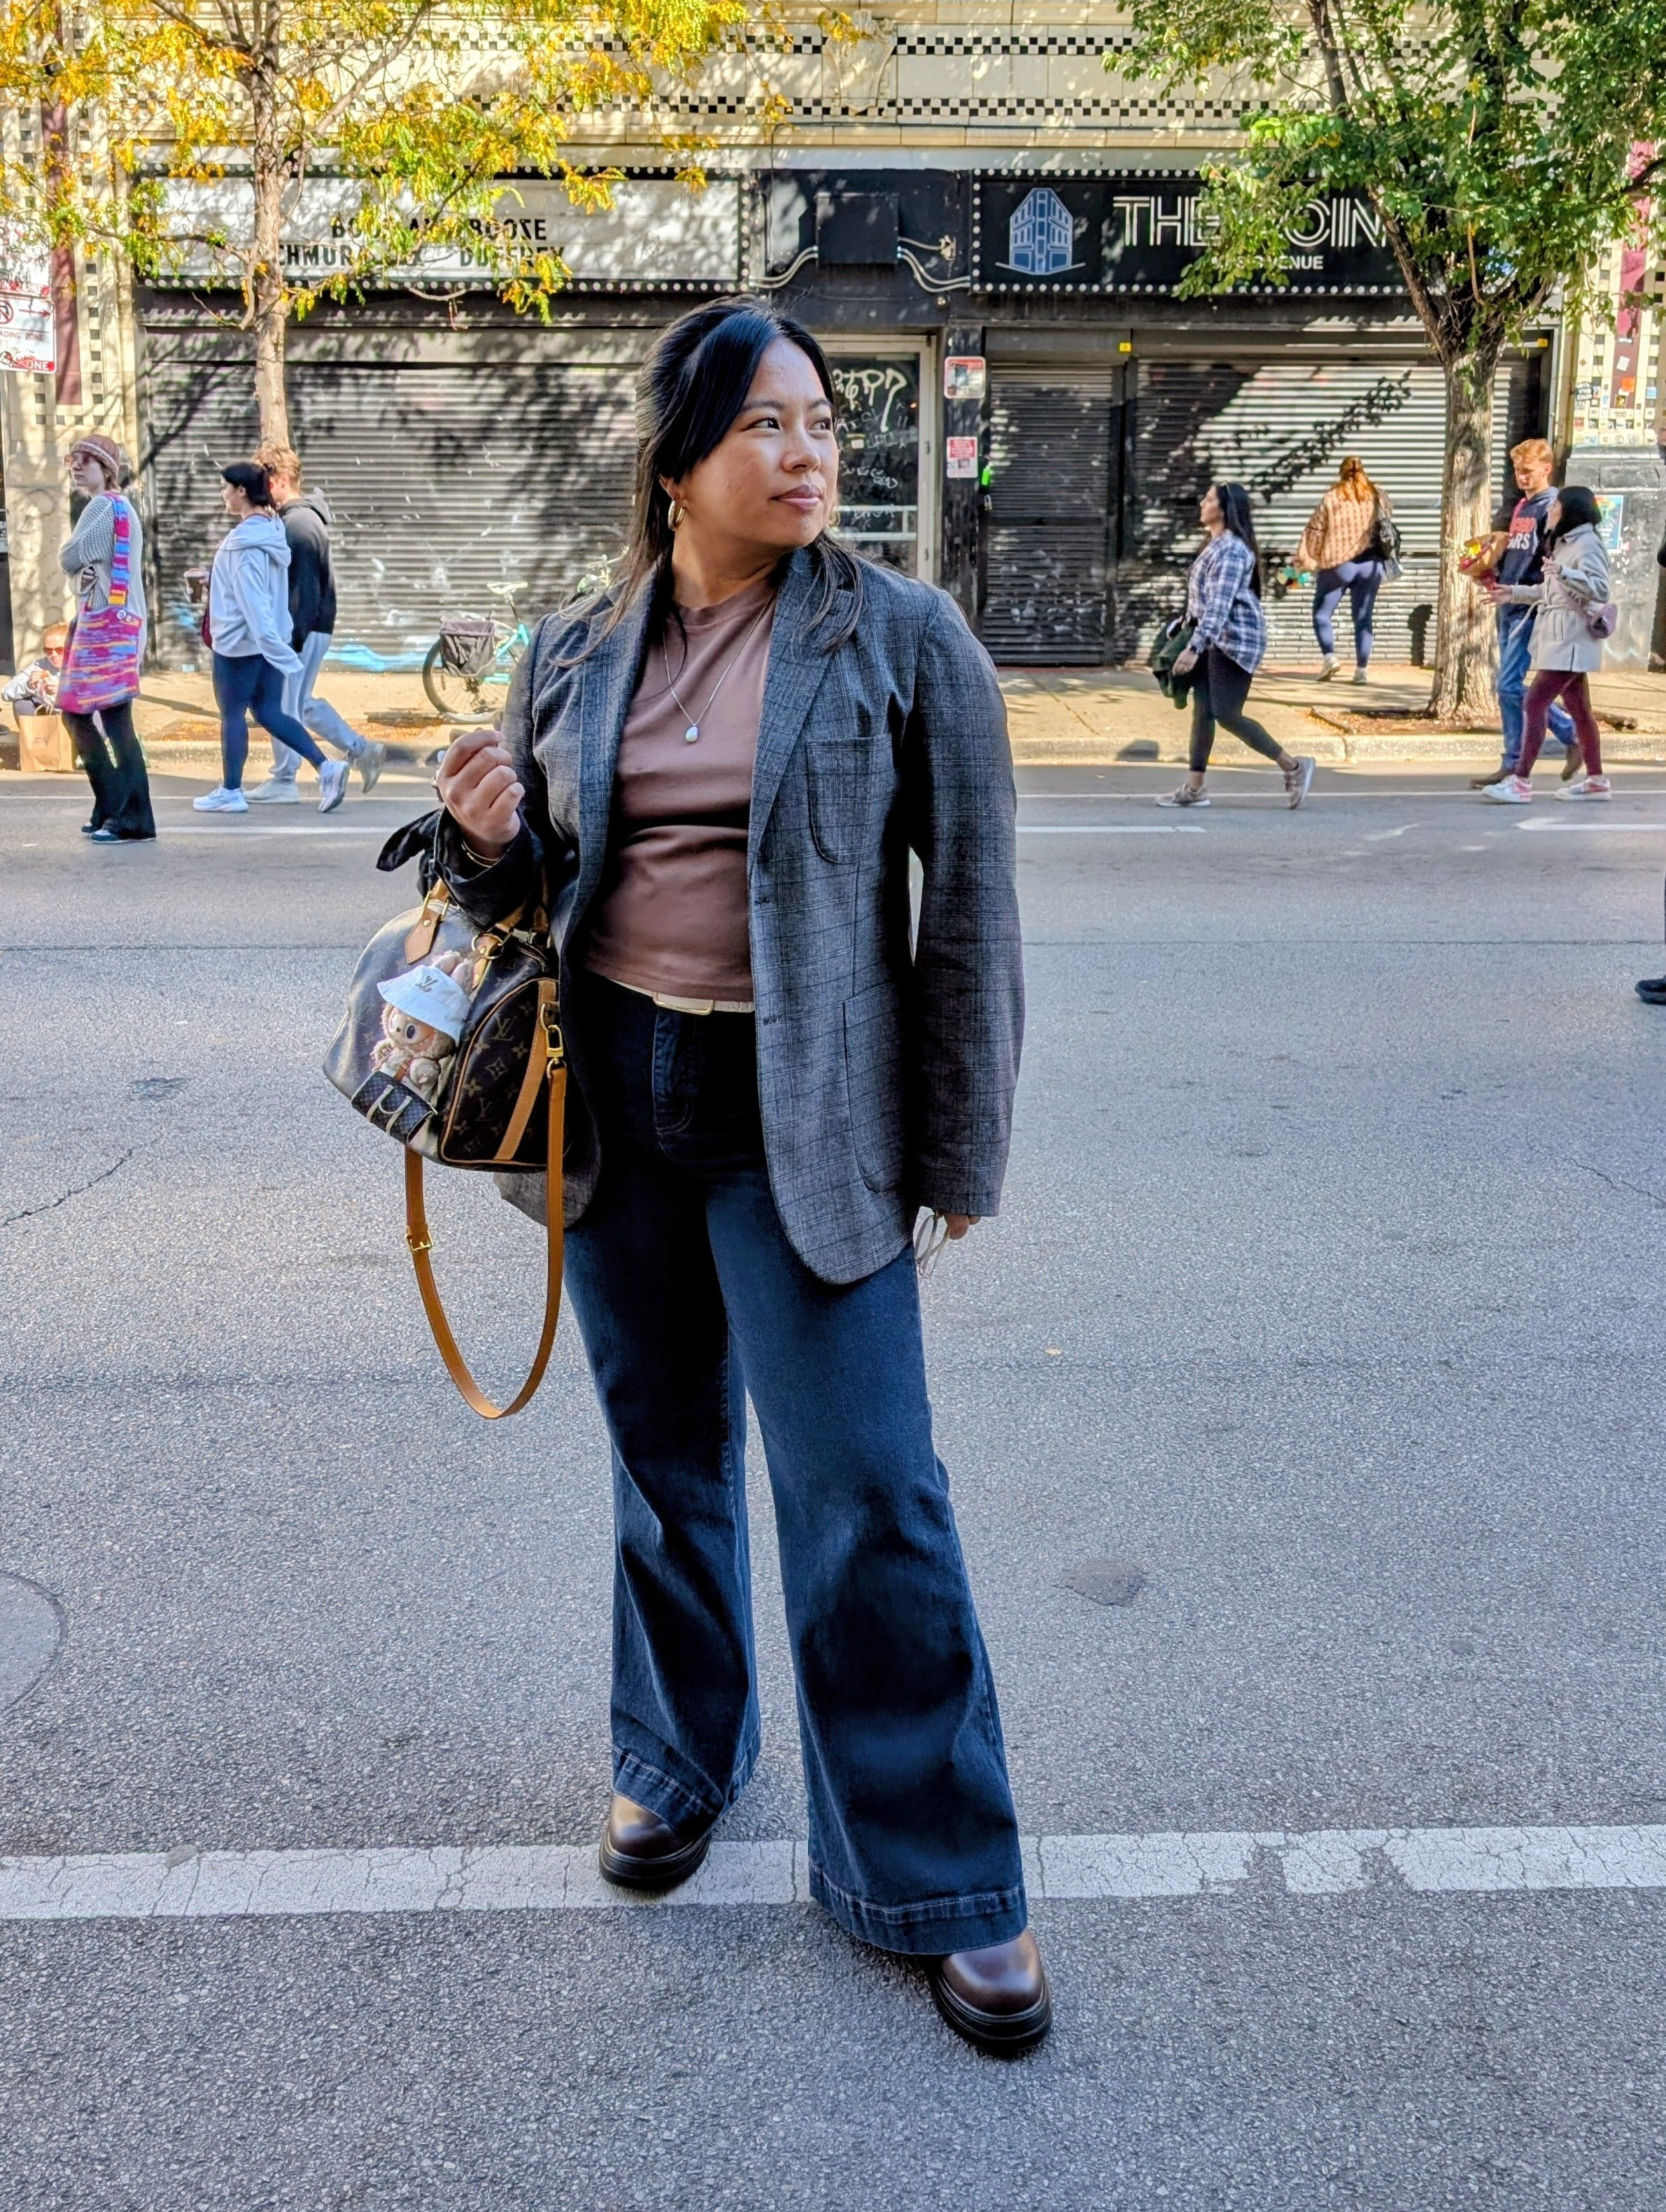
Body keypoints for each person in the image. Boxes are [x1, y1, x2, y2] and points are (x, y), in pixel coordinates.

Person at [433, 298, 1049, 2055]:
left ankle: (939, 1876)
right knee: (662, 1455)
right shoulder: (576, 645)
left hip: (808, 1113)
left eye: (822, 424)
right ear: (677, 459)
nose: (807, 454)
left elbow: (971, 913)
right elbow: (532, 900)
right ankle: (675, 1755)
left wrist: (959, 1147)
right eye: (767, 425)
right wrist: (489, 840)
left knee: (868, 1491)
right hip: (613, 1102)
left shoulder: (903, 637)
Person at [196, 461, 348, 816]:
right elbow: (259, 588)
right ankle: (327, 767)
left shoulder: (242, 544)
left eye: (226, 488)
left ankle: (231, 791)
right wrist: (217, 580)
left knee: (232, 715)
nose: (223, 495)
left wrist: (275, 646)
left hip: (240, 643)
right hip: (268, 639)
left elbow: (253, 600)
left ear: (242, 492)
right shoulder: (272, 530)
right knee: (268, 711)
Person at [244, 442, 385, 803]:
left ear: (282, 479)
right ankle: (361, 749)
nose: (258, 491)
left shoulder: (300, 524)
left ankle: (285, 779)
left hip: (303, 628)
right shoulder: (297, 520)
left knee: (282, 705)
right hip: (310, 627)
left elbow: (304, 590)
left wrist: (290, 640)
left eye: (263, 481)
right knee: (299, 702)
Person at [1160, 482, 1315, 809]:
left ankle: (1294, 767)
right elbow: (1204, 601)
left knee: (1226, 713)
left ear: (1224, 509)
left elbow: (1219, 606)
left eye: (1209, 499)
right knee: (1204, 711)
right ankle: (1194, 789)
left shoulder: (1231, 550)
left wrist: (1194, 648)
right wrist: (1184, 628)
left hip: (1234, 641)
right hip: (1214, 637)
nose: (1202, 503)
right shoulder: (1216, 545)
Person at [1480, 486, 1611, 804]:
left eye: (1556, 507)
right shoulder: (1565, 543)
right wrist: (1513, 593)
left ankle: (1521, 782)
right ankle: (1596, 781)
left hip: (1571, 639)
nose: (1550, 511)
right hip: (1561, 638)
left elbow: (1600, 589)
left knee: (1534, 702)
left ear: (1570, 511)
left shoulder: (1587, 544)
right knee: (1579, 710)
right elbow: (1549, 591)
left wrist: (1564, 572)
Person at [57, 433, 155, 842]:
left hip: (106, 629)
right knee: (90, 715)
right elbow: (88, 568)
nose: (77, 468)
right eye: (73, 461)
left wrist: (77, 570)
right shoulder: (120, 508)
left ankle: (132, 815)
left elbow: (69, 557)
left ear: (107, 469)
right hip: (117, 625)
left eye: (87, 461)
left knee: (99, 718)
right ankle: (112, 806)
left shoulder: (102, 507)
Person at [1469, 438, 1579, 790]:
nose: (1522, 476)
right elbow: (1518, 551)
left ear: (1547, 469)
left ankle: (1570, 732)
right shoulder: (1522, 506)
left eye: (1528, 470)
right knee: (1507, 688)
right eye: (1517, 470)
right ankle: (1513, 761)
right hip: (1508, 600)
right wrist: (1491, 567)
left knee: (1508, 684)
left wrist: (1529, 590)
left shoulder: (1552, 508)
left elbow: (1556, 558)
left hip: (1530, 604)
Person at [1294, 455, 1389, 682]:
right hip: (1371, 565)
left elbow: (1315, 532)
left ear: (1341, 473)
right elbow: (1387, 521)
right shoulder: (1378, 495)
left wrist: (1308, 560)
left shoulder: (1331, 498)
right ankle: (1362, 672)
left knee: (1322, 614)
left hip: (1337, 565)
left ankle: (1330, 658)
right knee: (1363, 618)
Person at [3, 621, 68, 713]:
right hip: (48, 716)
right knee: (21, 703)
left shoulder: (83, 666)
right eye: (48, 650)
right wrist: (28, 686)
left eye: (60, 650)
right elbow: (6, 692)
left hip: (76, 717)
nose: (53, 655)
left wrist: (65, 692)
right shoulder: (40, 666)